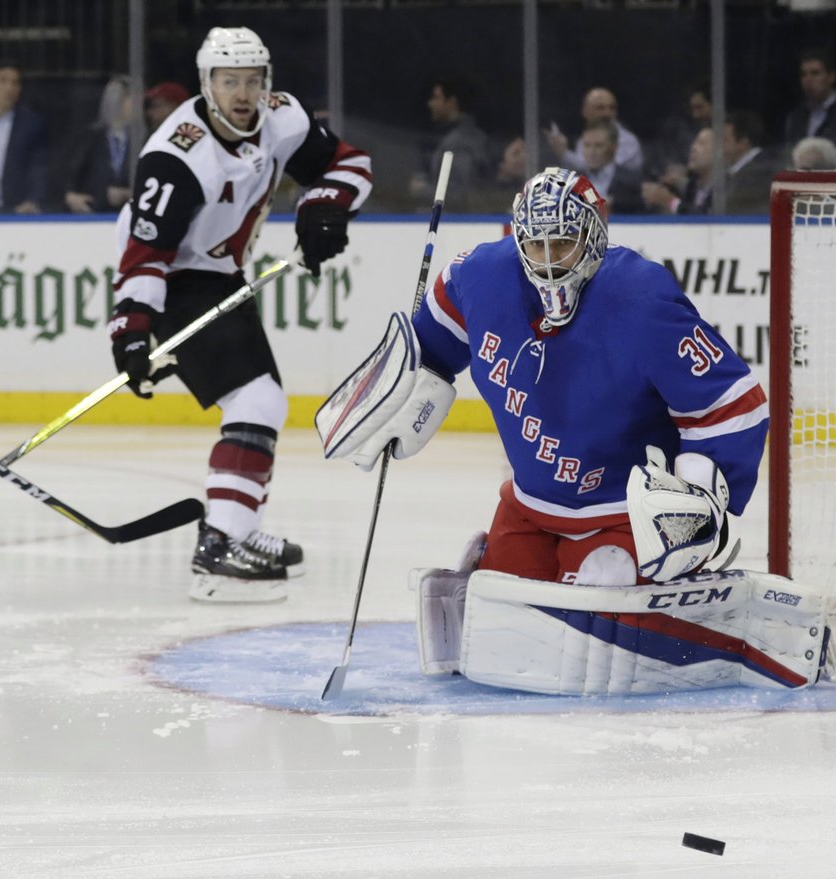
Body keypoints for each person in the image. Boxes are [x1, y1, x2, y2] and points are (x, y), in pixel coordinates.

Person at [318, 167, 773, 691]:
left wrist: (695, 507)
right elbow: (427, 355)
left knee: (606, 591)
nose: (551, 261)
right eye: (536, 245)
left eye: (564, 242)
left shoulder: (641, 299)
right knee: (495, 615)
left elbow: (733, 405)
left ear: (594, 235)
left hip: (621, 513)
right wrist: (399, 392)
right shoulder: (476, 279)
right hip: (531, 505)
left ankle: (679, 593)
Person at [108, 26, 372, 603]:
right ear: (207, 84)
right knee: (257, 400)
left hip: (222, 273)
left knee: (262, 401)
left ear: (267, 82)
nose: (243, 93)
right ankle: (222, 543)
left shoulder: (283, 118)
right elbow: (144, 257)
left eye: (252, 80)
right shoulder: (175, 158)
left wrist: (322, 212)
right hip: (177, 278)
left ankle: (237, 532)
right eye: (229, 81)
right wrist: (131, 332)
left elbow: (350, 166)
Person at [409, 76, 489, 210]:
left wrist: (421, 190)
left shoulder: (461, 141)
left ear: (451, 102)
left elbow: (459, 195)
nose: (430, 103)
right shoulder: (454, 137)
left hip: (455, 225)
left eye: (436, 97)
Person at [0, 60, 50, 214]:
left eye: (15, 83)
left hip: (9, 209)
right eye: (3, 81)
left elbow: (39, 166)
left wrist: (33, 200)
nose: (9, 88)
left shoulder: (30, 124)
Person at [64, 75, 134, 214]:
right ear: (117, 102)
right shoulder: (90, 139)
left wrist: (128, 194)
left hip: (130, 215)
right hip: (94, 215)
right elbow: (71, 179)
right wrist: (70, 196)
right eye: (131, 99)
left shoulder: (142, 139)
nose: (137, 105)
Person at [545, 87, 643, 174]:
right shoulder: (584, 139)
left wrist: (564, 153)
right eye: (600, 108)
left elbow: (598, 167)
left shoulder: (627, 140)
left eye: (612, 108)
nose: (607, 113)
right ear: (585, 111)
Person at [574, 119, 643, 214]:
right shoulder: (572, 181)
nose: (591, 152)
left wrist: (615, 207)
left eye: (598, 146)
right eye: (587, 145)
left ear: (613, 147)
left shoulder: (632, 181)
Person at [642, 126, 714, 215]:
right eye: (694, 143)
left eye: (701, 144)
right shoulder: (693, 185)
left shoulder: (724, 190)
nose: (693, 148)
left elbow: (704, 221)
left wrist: (669, 201)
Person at [722, 110, 778, 215]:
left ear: (743, 142)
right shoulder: (735, 173)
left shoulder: (761, 172)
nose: (719, 146)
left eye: (725, 140)